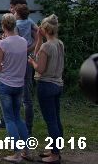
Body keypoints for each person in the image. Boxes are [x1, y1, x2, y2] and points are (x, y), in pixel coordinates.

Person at [0, 0, 38, 129]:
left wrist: (25, 50)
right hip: (17, 59)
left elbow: (36, 37)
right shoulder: (14, 22)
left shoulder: (24, 23)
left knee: (25, 96)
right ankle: (6, 120)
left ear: (18, 9)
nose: (10, 10)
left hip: (25, 60)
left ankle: (26, 126)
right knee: (8, 89)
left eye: (13, 8)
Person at [0, 13, 30, 163]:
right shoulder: (23, 42)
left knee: (9, 119)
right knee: (18, 118)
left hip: (5, 84)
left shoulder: (2, 44)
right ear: (14, 25)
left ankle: (16, 153)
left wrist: (4, 66)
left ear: (3, 26)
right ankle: (26, 150)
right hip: (19, 84)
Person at [28, 15, 64, 163]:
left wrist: (32, 63)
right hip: (58, 84)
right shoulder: (59, 43)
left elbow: (40, 68)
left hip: (46, 85)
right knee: (56, 119)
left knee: (51, 121)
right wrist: (39, 40)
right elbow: (39, 54)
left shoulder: (46, 46)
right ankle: (55, 149)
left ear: (45, 29)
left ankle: (55, 155)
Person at [14, 4, 37, 135]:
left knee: (15, 91)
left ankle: (16, 123)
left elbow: (15, 39)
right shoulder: (29, 21)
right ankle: (28, 127)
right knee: (27, 93)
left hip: (19, 56)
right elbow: (38, 30)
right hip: (28, 55)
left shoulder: (16, 24)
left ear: (18, 13)